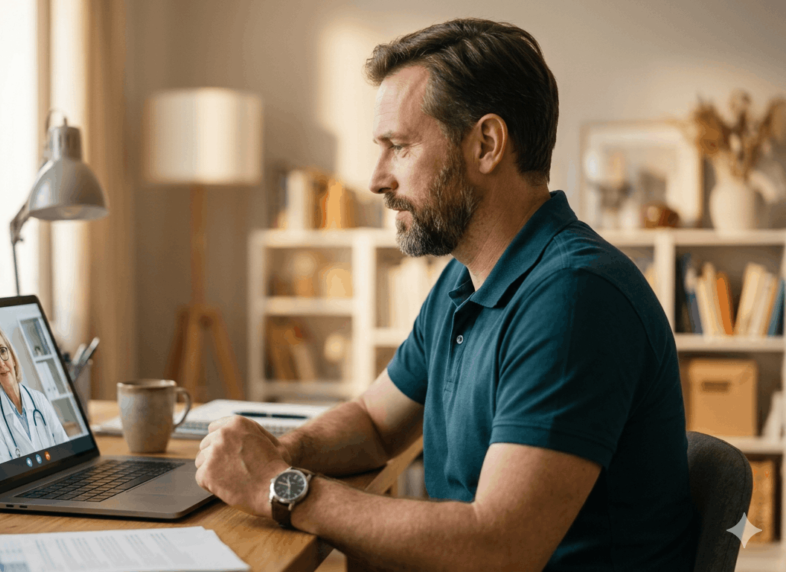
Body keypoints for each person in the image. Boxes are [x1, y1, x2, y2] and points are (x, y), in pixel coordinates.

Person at [194, 18, 699, 571]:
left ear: (486, 145)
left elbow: (500, 547)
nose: (376, 179)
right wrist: (280, 453)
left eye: (399, 147)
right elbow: (373, 421)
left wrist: (281, 487)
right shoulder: (465, 280)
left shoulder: (574, 298)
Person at [0, 316, 68, 465]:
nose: (0, 362)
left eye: (2, 350)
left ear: (13, 357)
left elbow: (65, 447)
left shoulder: (39, 399)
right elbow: (3, 469)